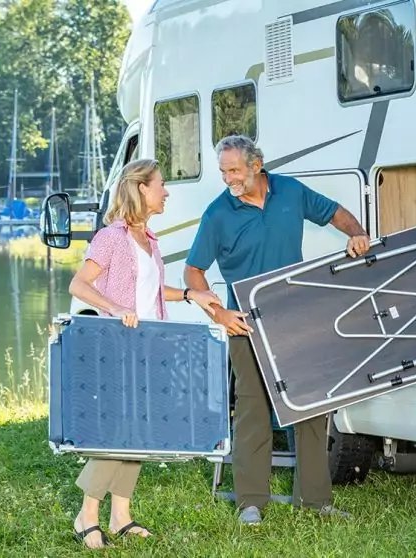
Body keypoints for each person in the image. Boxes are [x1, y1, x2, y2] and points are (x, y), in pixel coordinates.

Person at [184, 135, 370, 526]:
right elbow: (193, 271)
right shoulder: (218, 214)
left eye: (234, 170)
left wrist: (356, 232)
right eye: (223, 171)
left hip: (294, 316)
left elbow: (334, 212)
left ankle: (316, 500)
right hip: (245, 324)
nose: (228, 178)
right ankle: (251, 501)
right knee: (253, 409)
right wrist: (218, 312)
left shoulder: (290, 190)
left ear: (257, 165)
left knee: (310, 406)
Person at [67, 158, 223, 548]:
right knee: (120, 431)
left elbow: (152, 293)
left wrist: (191, 294)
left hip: (151, 347)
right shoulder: (111, 237)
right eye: (161, 185)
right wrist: (117, 309)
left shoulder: (148, 240)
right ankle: (86, 514)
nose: (166, 191)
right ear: (141, 188)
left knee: (140, 431)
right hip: (120, 346)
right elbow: (79, 285)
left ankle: (121, 515)